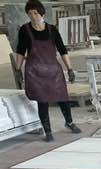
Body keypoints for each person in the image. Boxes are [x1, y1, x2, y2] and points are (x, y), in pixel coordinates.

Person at [14, 0, 81, 142]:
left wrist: (70, 69)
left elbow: (62, 50)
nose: (33, 16)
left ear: (42, 14)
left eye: (35, 13)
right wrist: (18, 70)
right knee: (42, 100)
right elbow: (20, 51)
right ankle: (48, 131)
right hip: (35, 72)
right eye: (30, 13)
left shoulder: (52, 30)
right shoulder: (25, 30)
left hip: (53, 70)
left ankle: (69, 122)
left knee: (63, 97)